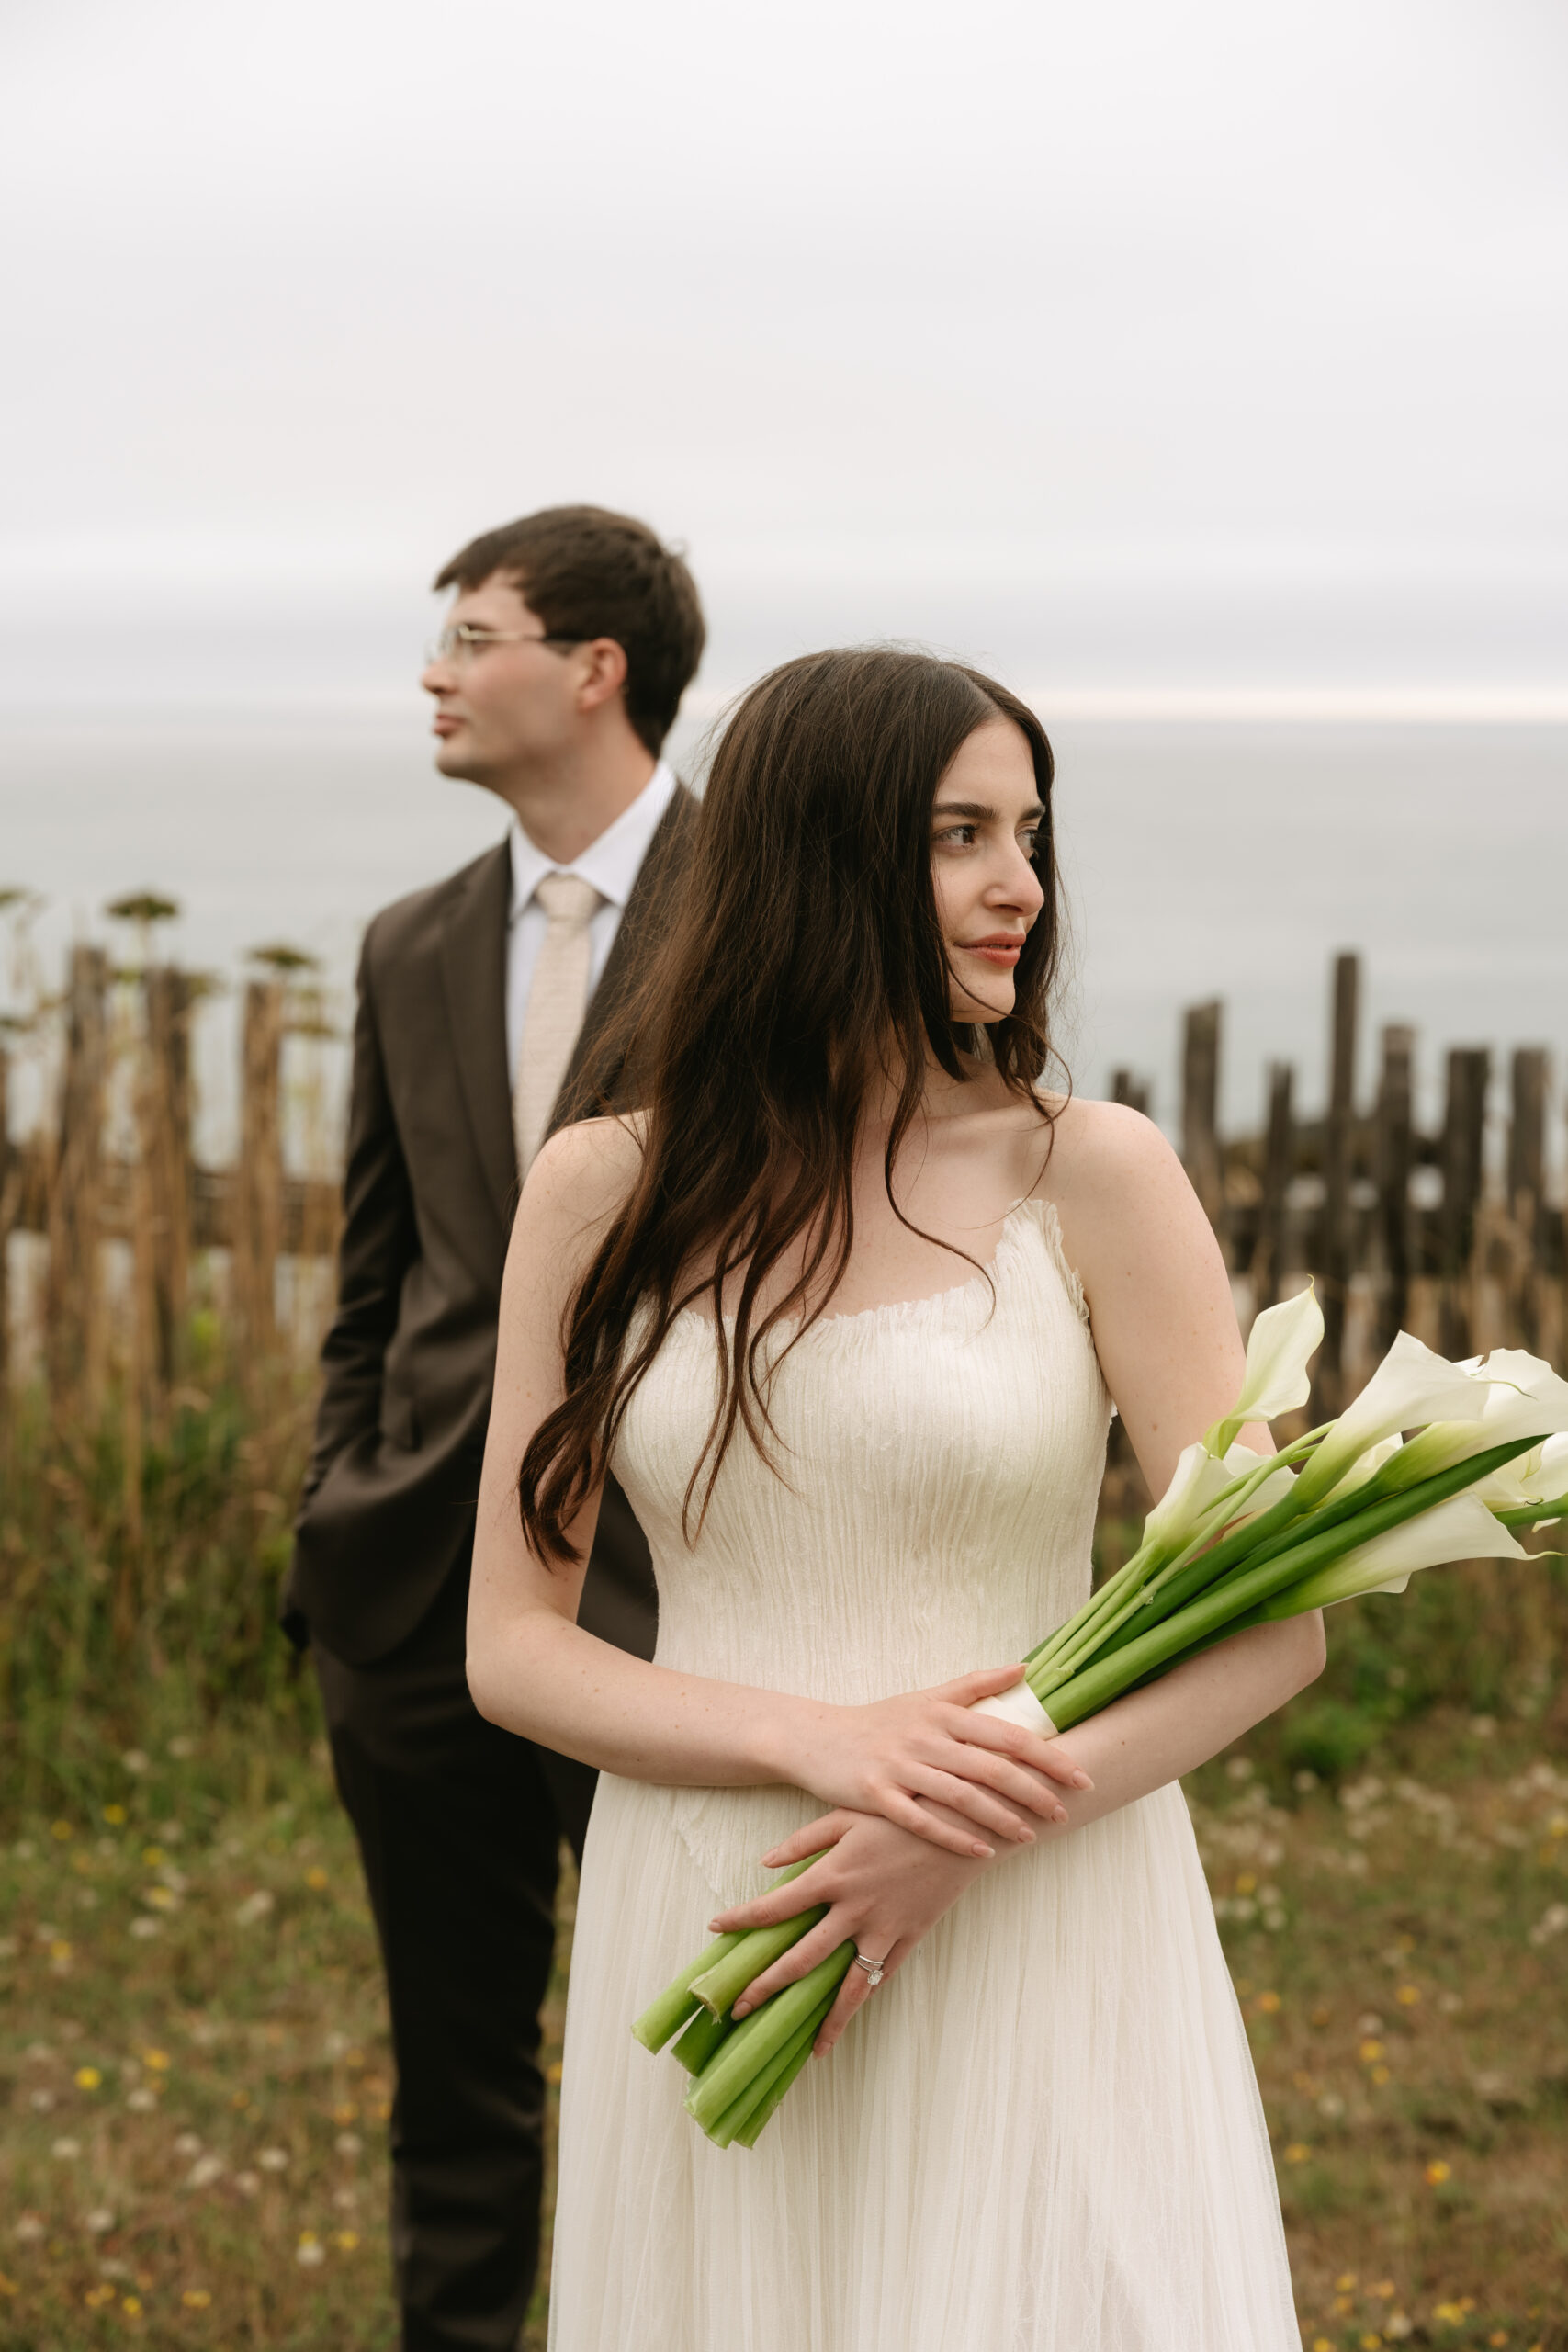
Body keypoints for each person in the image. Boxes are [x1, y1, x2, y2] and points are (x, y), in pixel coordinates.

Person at [467, 645, 1323, 2350]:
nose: (1021, 885)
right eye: (959, 835)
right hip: (722, 1885)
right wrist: (826, 1746)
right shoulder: (601, 1188)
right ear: (820, 858)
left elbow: (1273, 1626)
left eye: (1030, 831)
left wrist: (956, 1824)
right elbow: (513, 1648)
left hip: (1045, 1888)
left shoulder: (1094, 1169)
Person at [284, 506, 705, 2351]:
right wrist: (335, 1512)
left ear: (591, 668)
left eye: (472, 636)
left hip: (669, 1608)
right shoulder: (408, 940)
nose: (435, 675)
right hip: (412, 1607)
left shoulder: (758, 904)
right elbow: (375, 1278)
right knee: (450, 2075)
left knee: (682, 2057)